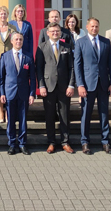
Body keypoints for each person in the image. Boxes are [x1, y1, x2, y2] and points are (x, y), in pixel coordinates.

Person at [74, 17, 111, 155]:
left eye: (96, 26)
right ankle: (85, 142)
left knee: (104, 114)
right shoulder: (80, 42)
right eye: (92, 26)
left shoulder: (105, 42)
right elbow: (77, 65)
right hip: (87, 85)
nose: (94, 28)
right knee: (86, 114)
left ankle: (105, 142)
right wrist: (80, 85)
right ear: (87, 27)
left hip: (103, 84)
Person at [35, 22, 75, 154]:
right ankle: (51, 142)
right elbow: (39, 69)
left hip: (64, 87)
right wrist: (41, 85)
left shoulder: (67, 47)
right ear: (47, 33)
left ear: (60, 32)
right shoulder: (42, 47)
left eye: (57, 31)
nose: (55, 33)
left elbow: (72, 68)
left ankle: (65, 142)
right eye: (52, 31)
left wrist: (70, 85)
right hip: (48, 87)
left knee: (64, 116)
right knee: (50, 116)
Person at [0, 32, 36, 155]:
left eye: (20, 39)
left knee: (23, 120)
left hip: (24, 93)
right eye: (16, 39)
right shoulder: (5, 56)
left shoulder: (29, 57)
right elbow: (1, 78)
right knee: (11, 121)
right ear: (12, 41)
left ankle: (22, 144)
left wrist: (32, 94)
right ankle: (12, 144)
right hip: (9, 93)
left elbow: (32, 77)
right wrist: (2, 93)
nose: (18, 41)